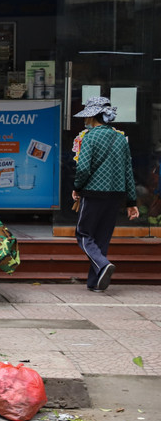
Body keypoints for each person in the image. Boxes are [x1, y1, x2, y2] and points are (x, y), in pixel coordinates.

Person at [71, 96, 139, 292]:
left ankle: (102, 264)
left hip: (93, 194)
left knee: (83, 234)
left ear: (93, 116)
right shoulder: (120, 137)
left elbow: (83, 169)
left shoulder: (89, 137)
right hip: (116, 195)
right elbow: (128, 170)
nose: (84, 120)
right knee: (102, 238)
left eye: (86, 116)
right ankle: (95, 283)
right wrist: (131, 202)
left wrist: (77, 188)